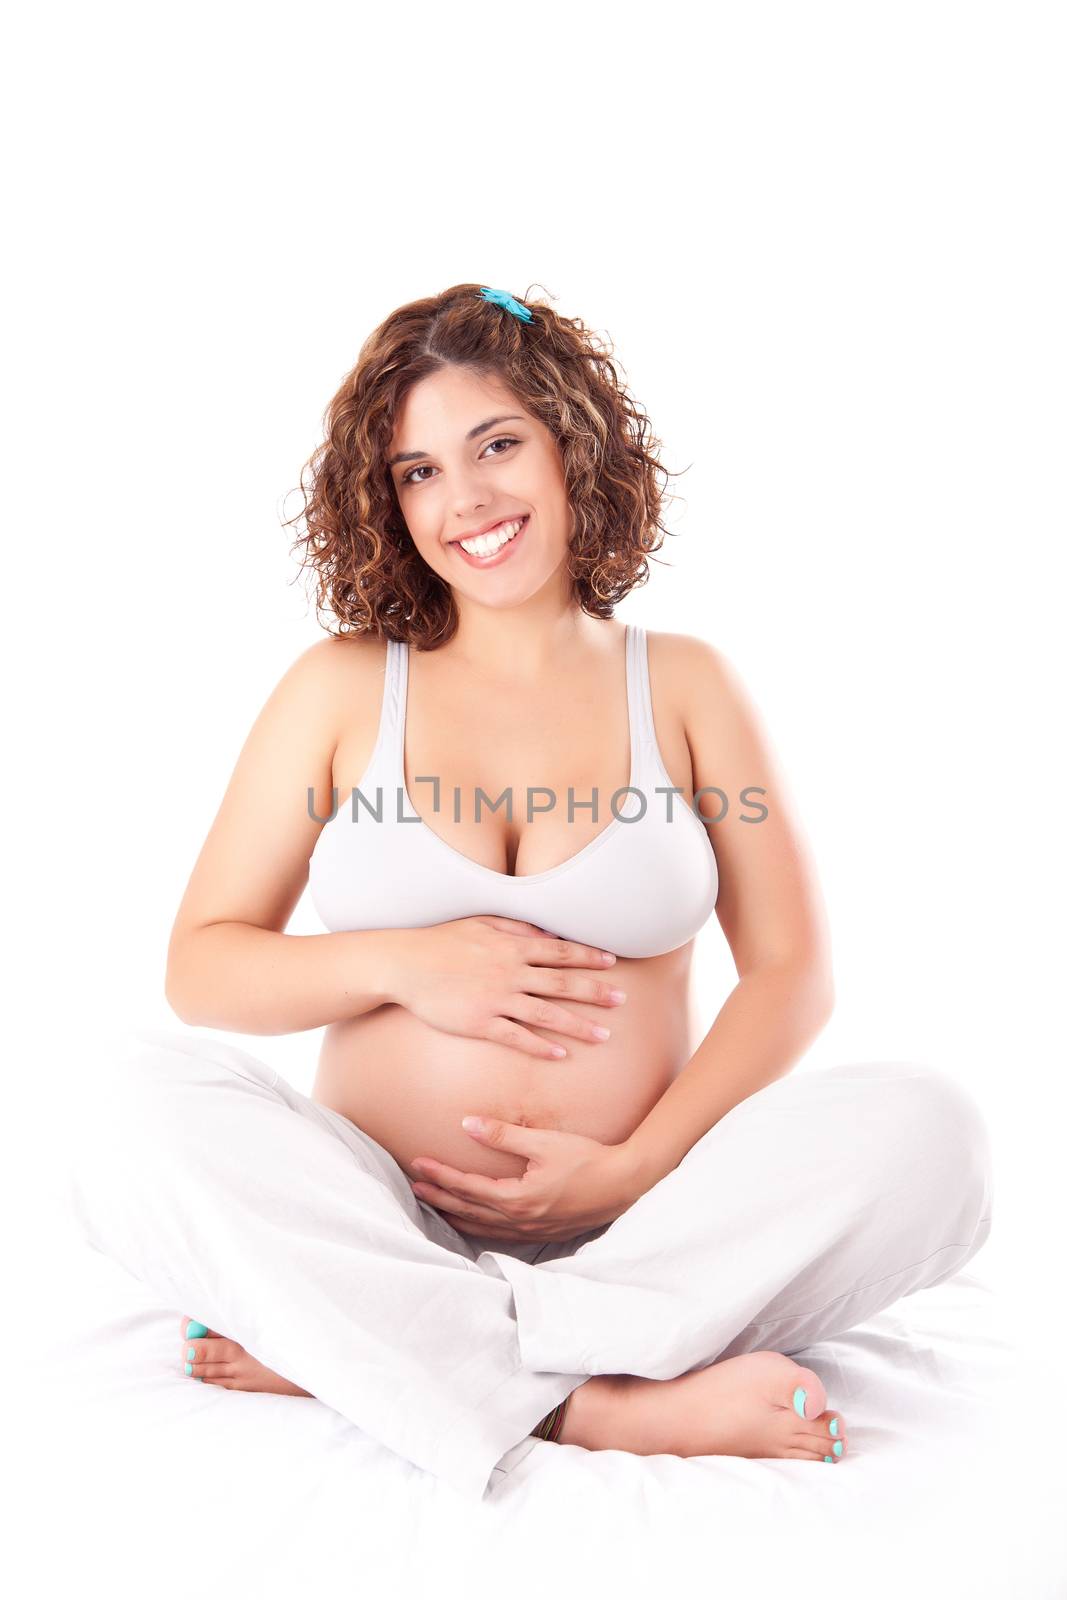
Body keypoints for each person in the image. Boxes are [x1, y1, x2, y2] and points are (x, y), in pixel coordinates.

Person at [68, 283, 993, 1503]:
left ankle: (368, 1349)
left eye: (496, 444)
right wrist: (403, 962)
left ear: (573, 445)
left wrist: (634, 1168)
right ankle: (581, 1400)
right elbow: (204, 963)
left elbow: (790, 974)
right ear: (386, 503)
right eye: (416, 472)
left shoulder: (685, 684)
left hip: (649, 1228)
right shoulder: (340, 690)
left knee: (932, 1130)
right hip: (374, 1215)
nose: (465, 501)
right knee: (129, 1107)